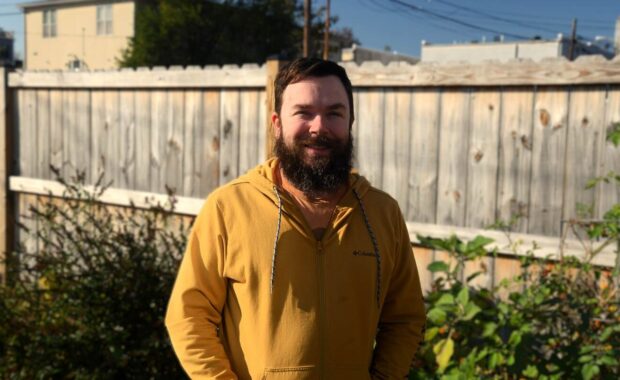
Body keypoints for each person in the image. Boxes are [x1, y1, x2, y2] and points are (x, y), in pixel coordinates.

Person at [165, 57, 426, 379]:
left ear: (350, 122)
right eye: (304, 112)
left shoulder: (383, 213)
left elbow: (405, 317)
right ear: (277, 123)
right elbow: (188, 315)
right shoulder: (228, 207)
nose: (319, 127)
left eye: (334, 113)